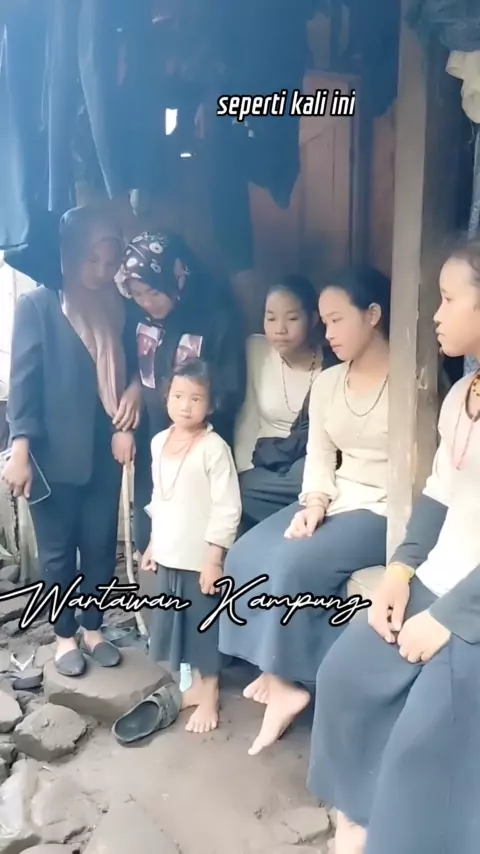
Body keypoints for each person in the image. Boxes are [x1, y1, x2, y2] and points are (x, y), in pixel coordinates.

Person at [307, 237, 480, 854]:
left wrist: (449, 619)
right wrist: (400, 572)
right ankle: (357, 812)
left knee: (426, 734)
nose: (435, 314)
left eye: (448, 298)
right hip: (440, 576)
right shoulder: (463, 396)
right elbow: (438, 494)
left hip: (471, 606)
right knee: (344, 673)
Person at [219, 265, 390, 756]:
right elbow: (319, 454)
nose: (327, 332)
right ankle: (276, 673)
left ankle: (287, 683)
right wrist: (314, 502)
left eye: (336, 320)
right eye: (324, 320)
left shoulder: (411, 380)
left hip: (384, 506)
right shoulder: (330, 382)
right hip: (339, 494)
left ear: (372, 315)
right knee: (246, 554)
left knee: (292, 564)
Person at [2, 206, 142, 677]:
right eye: (92, 259)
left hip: (104, 450)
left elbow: (138, 363)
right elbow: (23, 384)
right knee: (59, 552)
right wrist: (20, 449)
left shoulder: (119, 305)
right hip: (51, 455)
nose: (102, 271)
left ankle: (94, 627)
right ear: (68, 253)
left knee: (99, 545)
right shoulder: (39, 306)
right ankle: (65, 636)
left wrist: (132, 397)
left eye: (111, 261)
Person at [117, 230, 246, 556]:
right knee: (151, 534)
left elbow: (230, 387)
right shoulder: (136, 315)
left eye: (153, 292)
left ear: (177, 277)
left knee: (197, 538)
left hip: (201, 447)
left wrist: (191, 419)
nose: (146, 302)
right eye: (137, 294)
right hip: (154, 441)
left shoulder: (216, 317)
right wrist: (134, 387)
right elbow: (133, 364)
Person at [141, 358, 241, 734]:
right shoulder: (158, 442)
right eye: (178, 396)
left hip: (199, 557)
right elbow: (159, 497)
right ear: (167, 396)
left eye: (196, 398)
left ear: (211, 405)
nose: (185, 406)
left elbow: (228, 506)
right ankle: (193, 686)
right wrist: (153, 543)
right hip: (170, 552)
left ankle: (210, 692)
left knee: (203, 627)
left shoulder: (214, 448)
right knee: (177, 624)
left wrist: (214, 558)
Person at [234, 275, 336, 526]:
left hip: (303, 464)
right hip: (263, 462)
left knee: (308, 475)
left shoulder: (332, 363)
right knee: (235, 488)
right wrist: (242, 471)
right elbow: (247, 416)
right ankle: (301, 517)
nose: (280, 329)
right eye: (271, 318)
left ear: (313, 319)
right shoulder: (256, 350)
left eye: (292, 318)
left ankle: (297, 514)